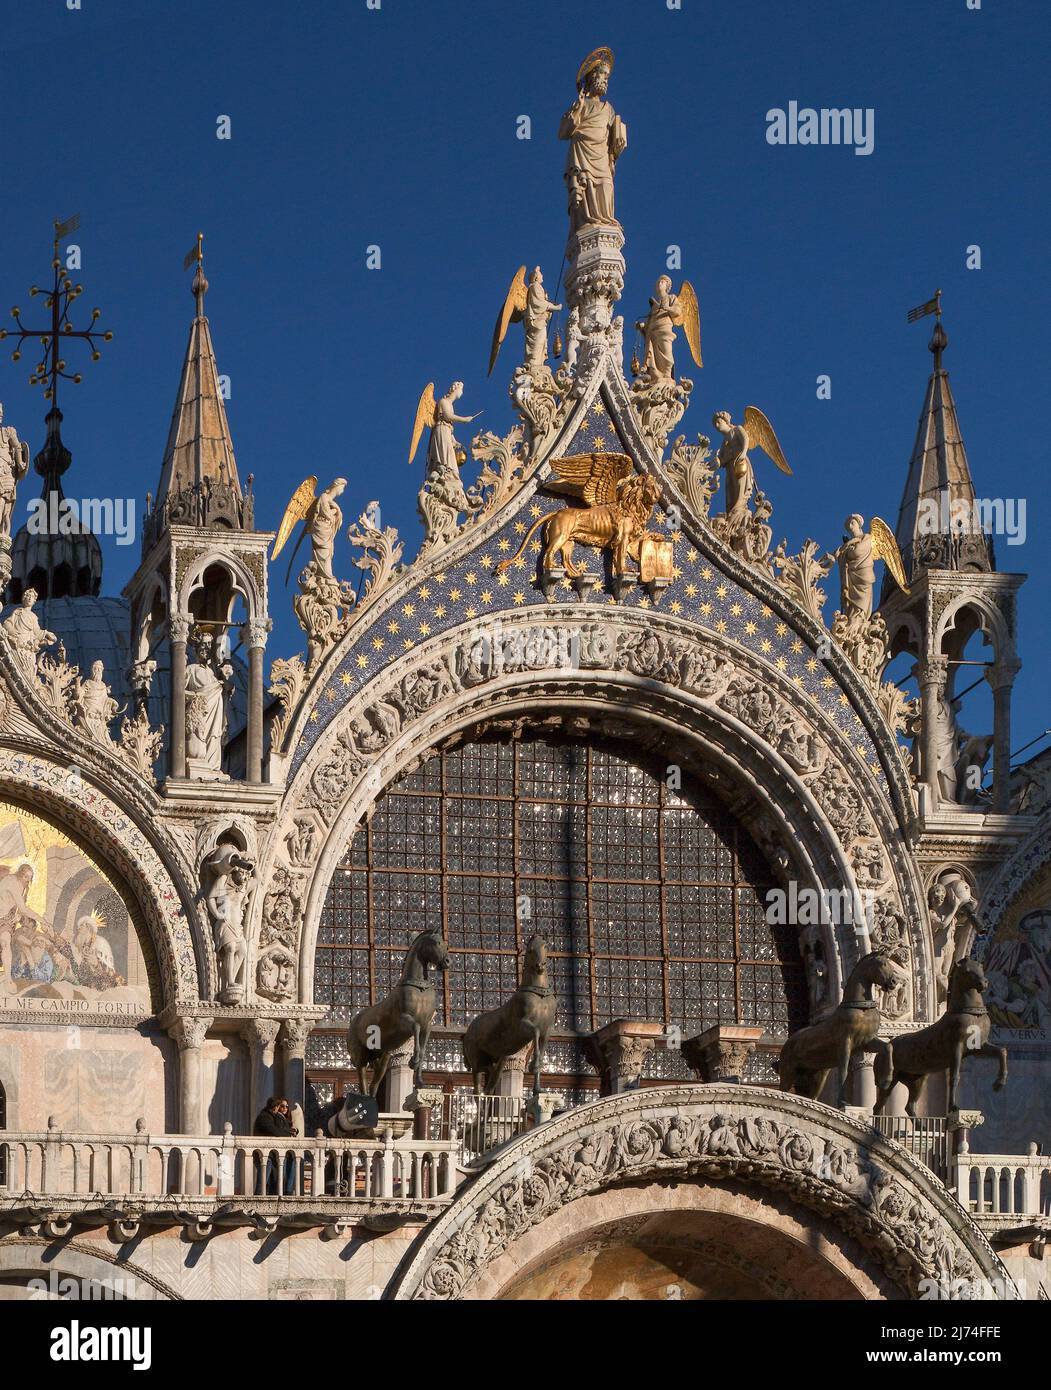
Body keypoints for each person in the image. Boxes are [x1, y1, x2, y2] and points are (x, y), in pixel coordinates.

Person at [252, 1097, 298, 1195]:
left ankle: (269, 1197)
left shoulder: (271, 1116)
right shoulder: (265, 1117)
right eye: (280, 1106)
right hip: (265, 1155)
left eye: (286, 1106)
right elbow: (275, 1130)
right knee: (263, 1182)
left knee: (272, 1182)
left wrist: (291, 1131)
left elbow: (280, 1129)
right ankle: (258, 1199)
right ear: (275, 1107)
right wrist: (289, 1134)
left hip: (271, 1155)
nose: (283, 1108)